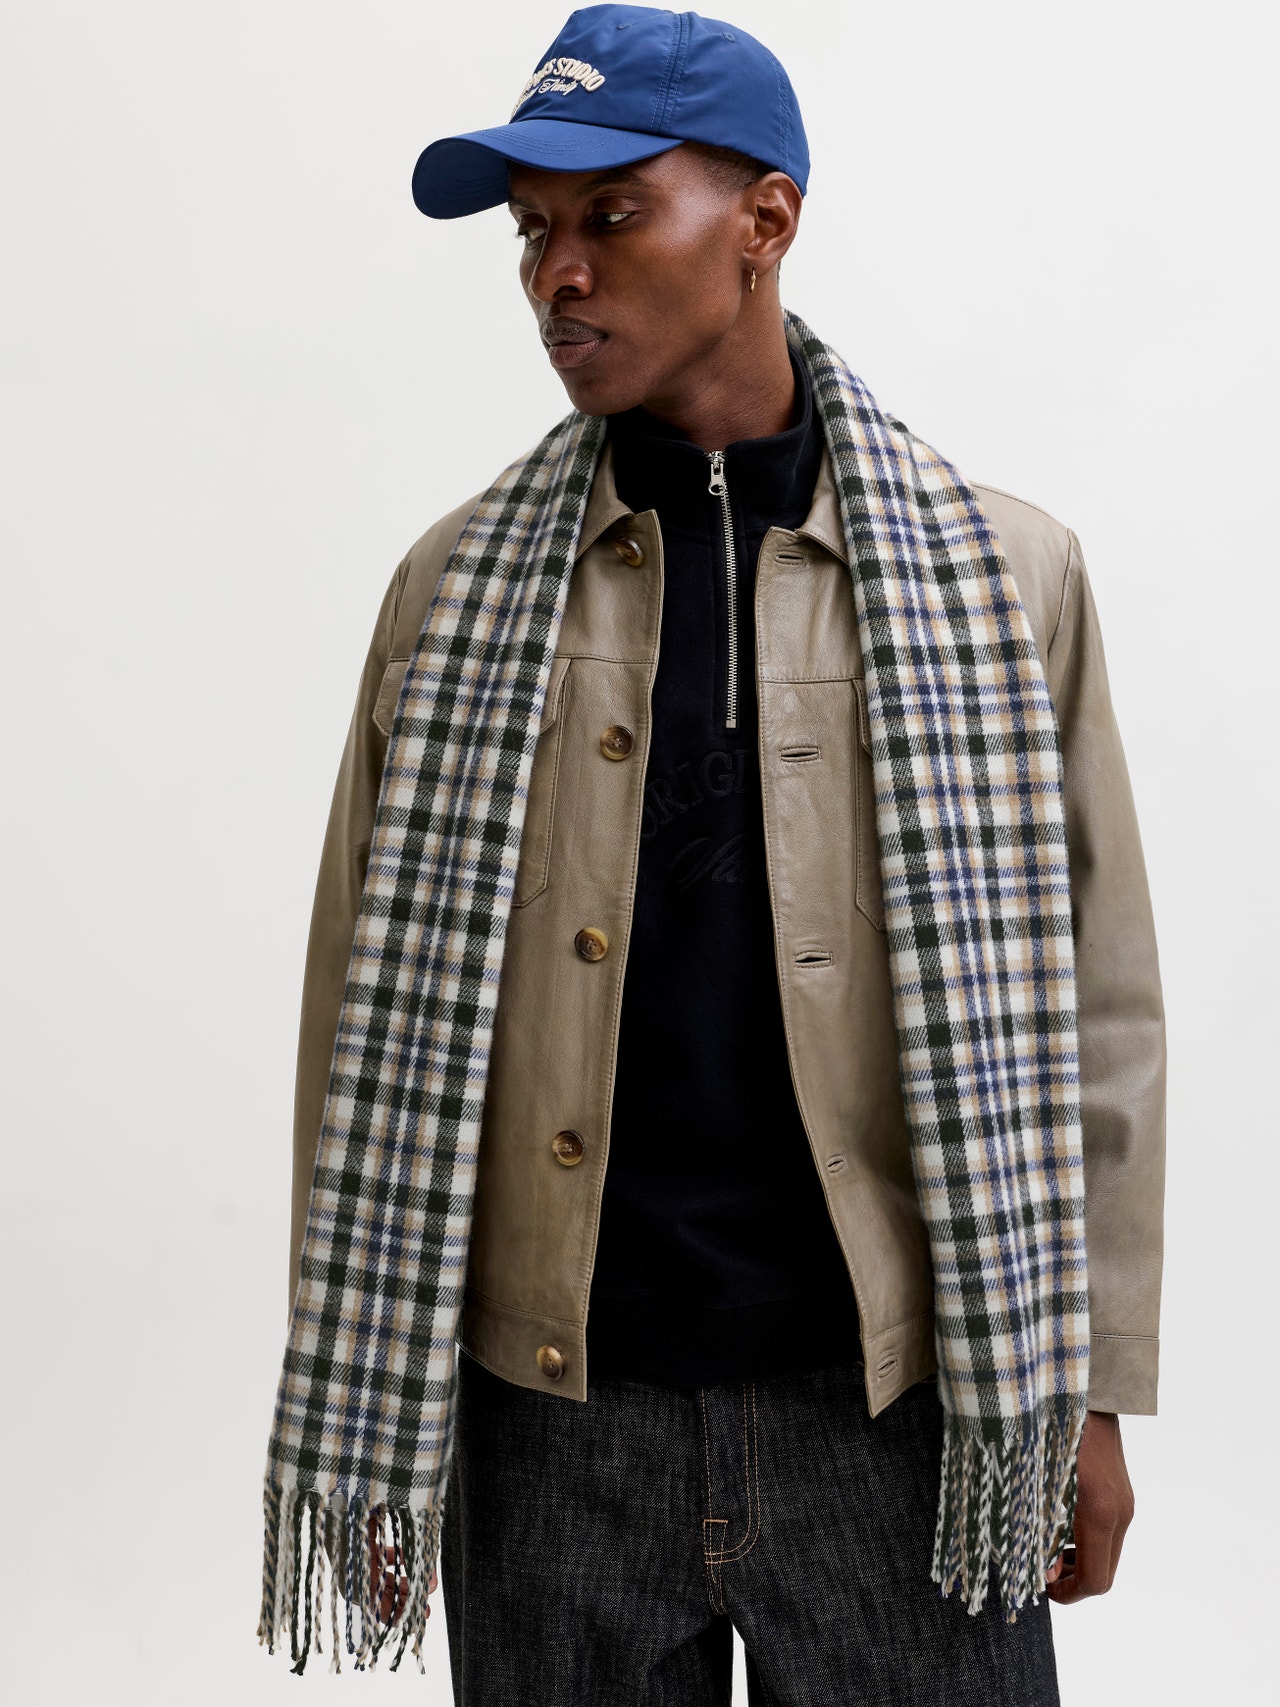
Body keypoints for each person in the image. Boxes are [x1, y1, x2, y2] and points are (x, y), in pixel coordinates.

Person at [260, 7, 1165, 1702]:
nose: (557, 275)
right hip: (554, 1420)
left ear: (766, 220)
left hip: (903, 1410)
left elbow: (1101, 1016)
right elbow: (353, 1023)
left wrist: (1092, 1389)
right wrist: (378, 1403)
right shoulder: (453, 595)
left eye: (613, 215)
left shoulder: (1005, 578)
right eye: (534, 229)